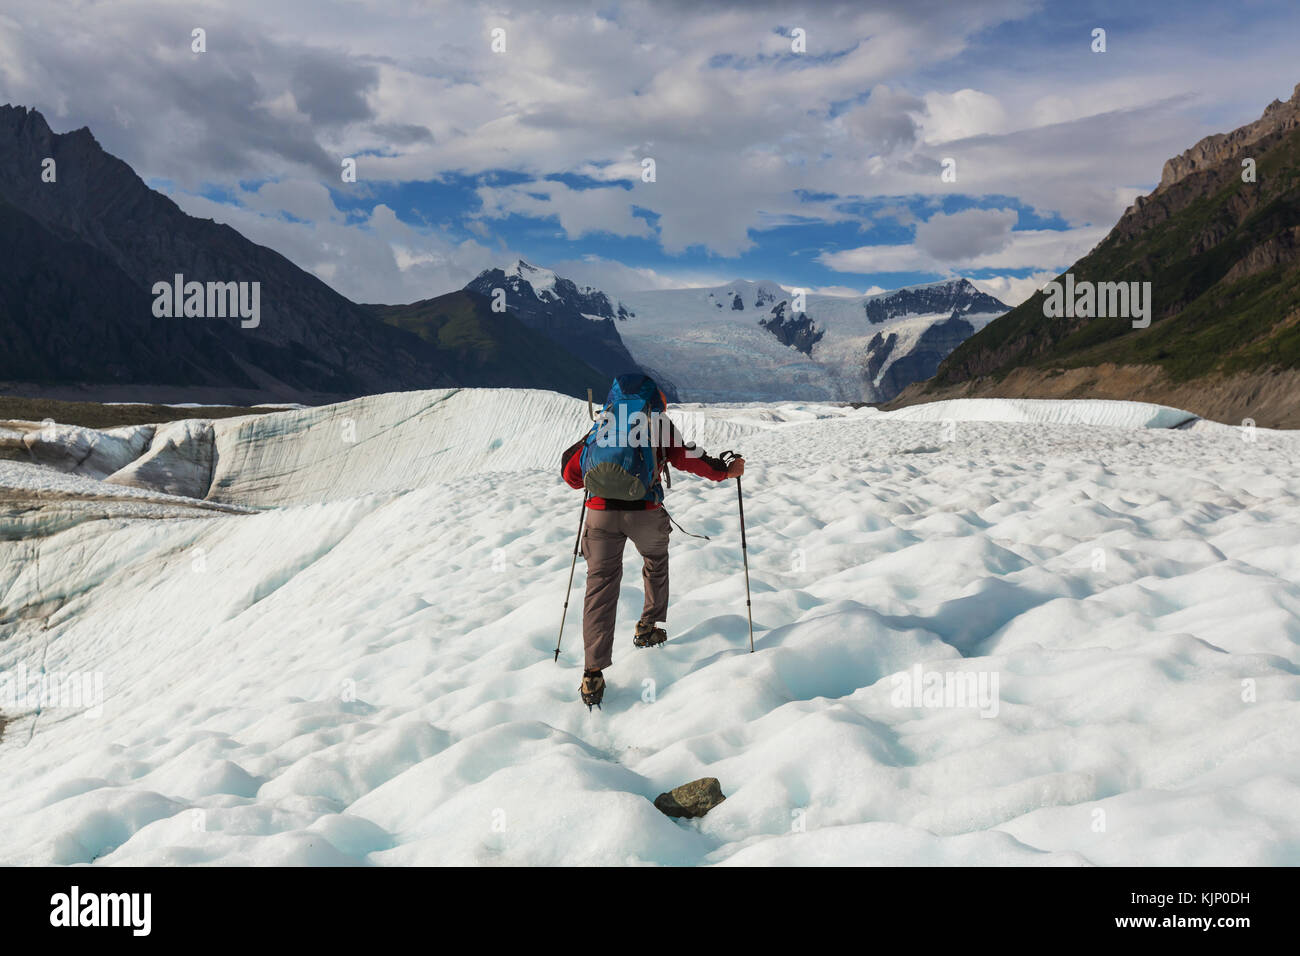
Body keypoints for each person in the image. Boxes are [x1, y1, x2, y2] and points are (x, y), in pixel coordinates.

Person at [561, 374, 744, 708]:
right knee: (655, 563)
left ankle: (592, 671)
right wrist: (725, 470)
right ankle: (648, 626)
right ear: (653, 399)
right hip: (645, 511)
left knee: (600, 586)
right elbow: (690, 457)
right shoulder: (659, 424)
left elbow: (570, 473)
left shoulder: (603, 425)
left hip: (600, 515)